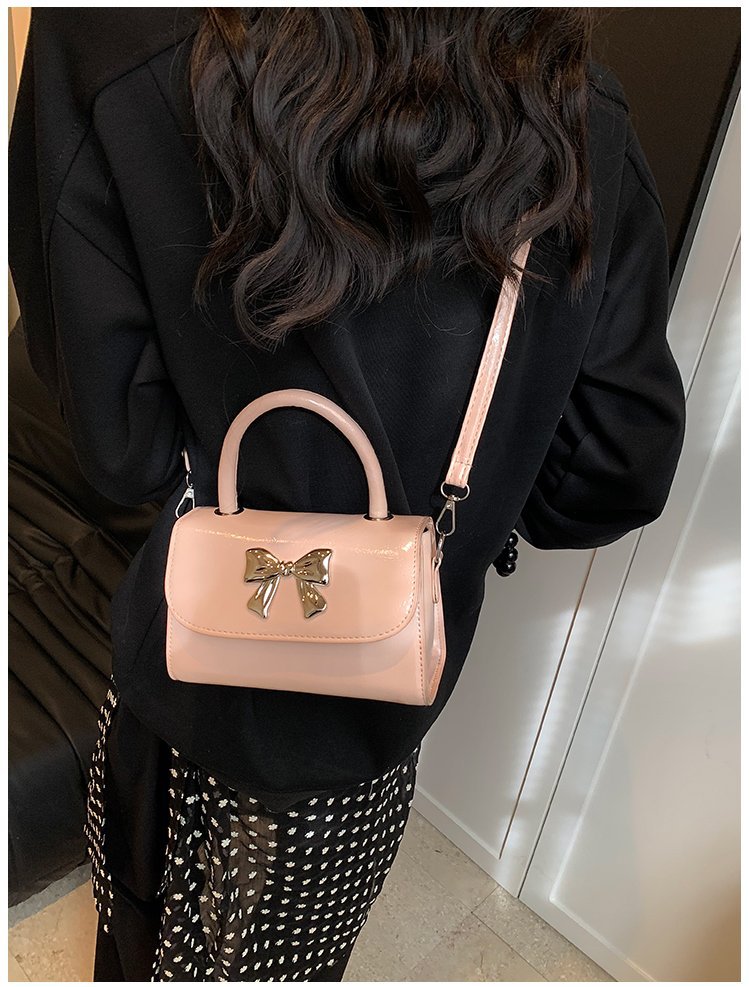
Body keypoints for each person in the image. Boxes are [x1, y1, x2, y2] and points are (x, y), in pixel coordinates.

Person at [8, 9, 686, 983]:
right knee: (293, 958)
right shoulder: (574, 112)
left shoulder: (107, 36)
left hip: (187, 668)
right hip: (371, 722)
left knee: (138, 929)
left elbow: (121, 450)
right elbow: (610, 471)